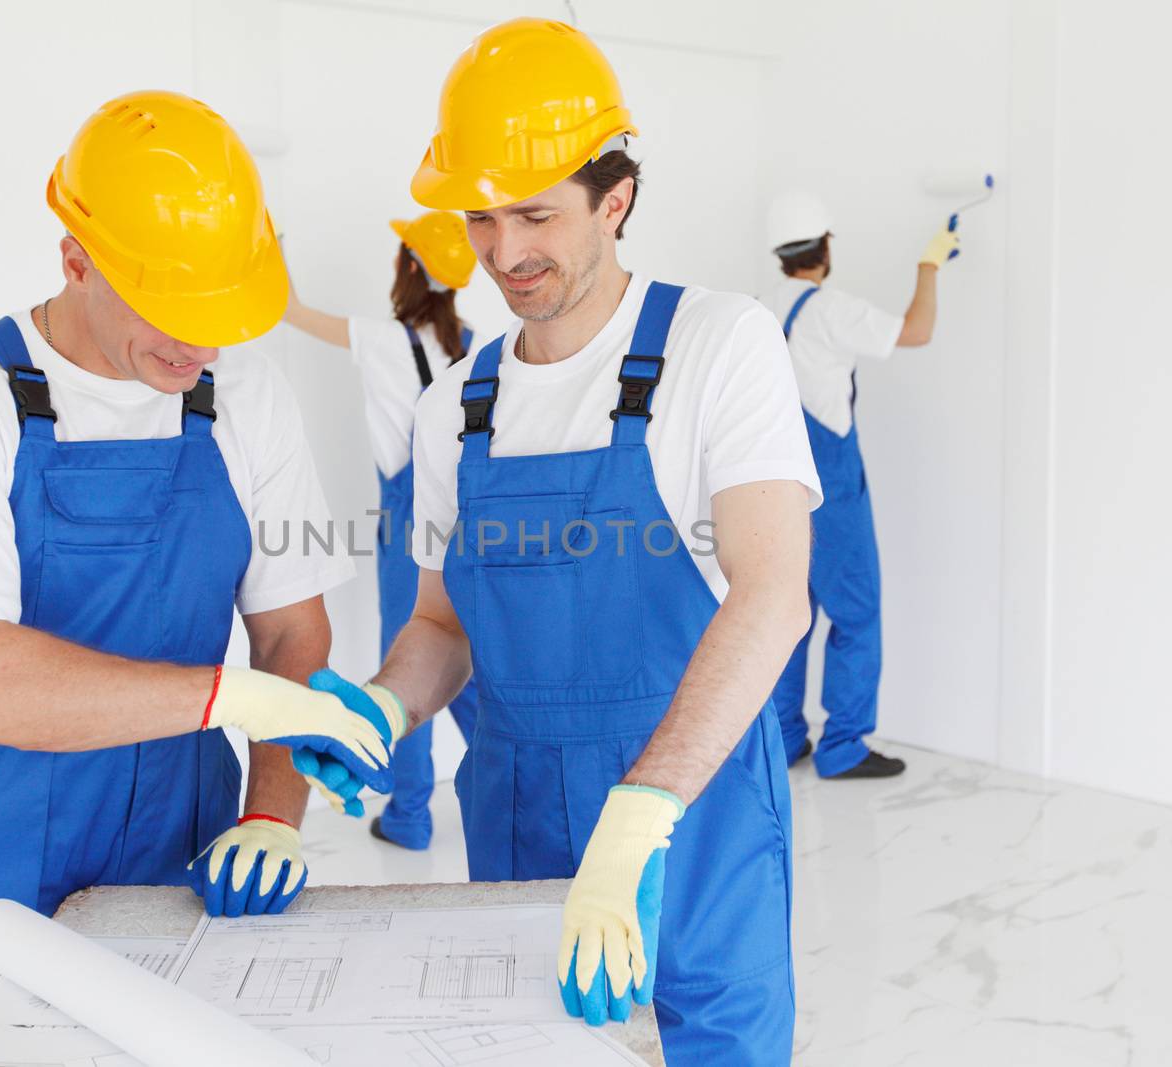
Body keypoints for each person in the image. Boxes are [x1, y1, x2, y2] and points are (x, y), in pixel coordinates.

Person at [294, 19, 820, 1064]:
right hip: (517, 803)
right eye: (481, 219)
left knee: (717, 1039)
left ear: (613, 199)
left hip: (691, 811)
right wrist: (383, 705)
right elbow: (444, 620)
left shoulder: (719, 346)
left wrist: (643, 809)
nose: (503, 253)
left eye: (534, 214)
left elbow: (772, 595)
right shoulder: (458, 404)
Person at [0, 91, 393, 1063]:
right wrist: (236, 695)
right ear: (76, 257)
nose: (200, 348)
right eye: (175, 312)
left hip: (173, 853)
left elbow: (290, 634)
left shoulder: (242, 396)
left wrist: (272, 811)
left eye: (220, 317)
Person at [280, 210, 484, 850]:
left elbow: (289, 311)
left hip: (407, 519)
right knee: (471, 657)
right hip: (472, 517)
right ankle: (505, 787)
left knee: (411, 656)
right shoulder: (476, 343)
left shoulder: (379, 338)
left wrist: (271, 246)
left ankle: (410, 814)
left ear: (412, 267)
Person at [761, 191, 960, 780]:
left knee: (790, 612)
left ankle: (785, 736)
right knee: (856, 611)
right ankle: (843, 746)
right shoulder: (829, 309)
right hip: (831, 480)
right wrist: (929, 264)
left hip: (774, 481)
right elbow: (917, 330)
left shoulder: (756, 308)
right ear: (824, 247)